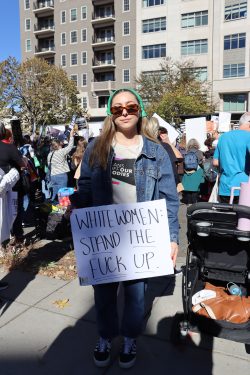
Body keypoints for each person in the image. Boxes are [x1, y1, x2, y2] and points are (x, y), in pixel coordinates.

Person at [70, 88, 179, 369]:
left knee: (136, 294)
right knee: (103, 295)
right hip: (105, 237)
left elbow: (169, 198)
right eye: (118, 108)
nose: (125, 113)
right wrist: (79, 213)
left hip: (140, 238)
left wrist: (173, 238)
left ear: (139, 110)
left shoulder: (155, 151)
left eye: (130, 107)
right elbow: (86, 186)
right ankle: (106, 336)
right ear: (111, 114)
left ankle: (130, 338)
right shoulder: (98, 146)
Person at [213, 112, 250, 203]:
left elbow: (215, 162)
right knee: (243, 216)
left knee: (226, 216)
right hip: (244, 187)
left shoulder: (223, 137)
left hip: (225, 187)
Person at [47, 128, 75, 202]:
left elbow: (49, 165)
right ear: (59, 144)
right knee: (63, 195)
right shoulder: (61, 152)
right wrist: (71, 136)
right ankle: (63, 211)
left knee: (55, 195)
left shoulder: (49, 154)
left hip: (53, 176)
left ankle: (54, 209)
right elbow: (70, 146)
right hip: (61, 175)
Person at [182, 138, 205, 205]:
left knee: (188, 188)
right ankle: (194, 203)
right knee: (195, 188)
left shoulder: (186, 152)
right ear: (197, 144)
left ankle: (189, 203)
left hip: (187, 172)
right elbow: (201, 163)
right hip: (197, 172)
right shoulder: (200, 152)